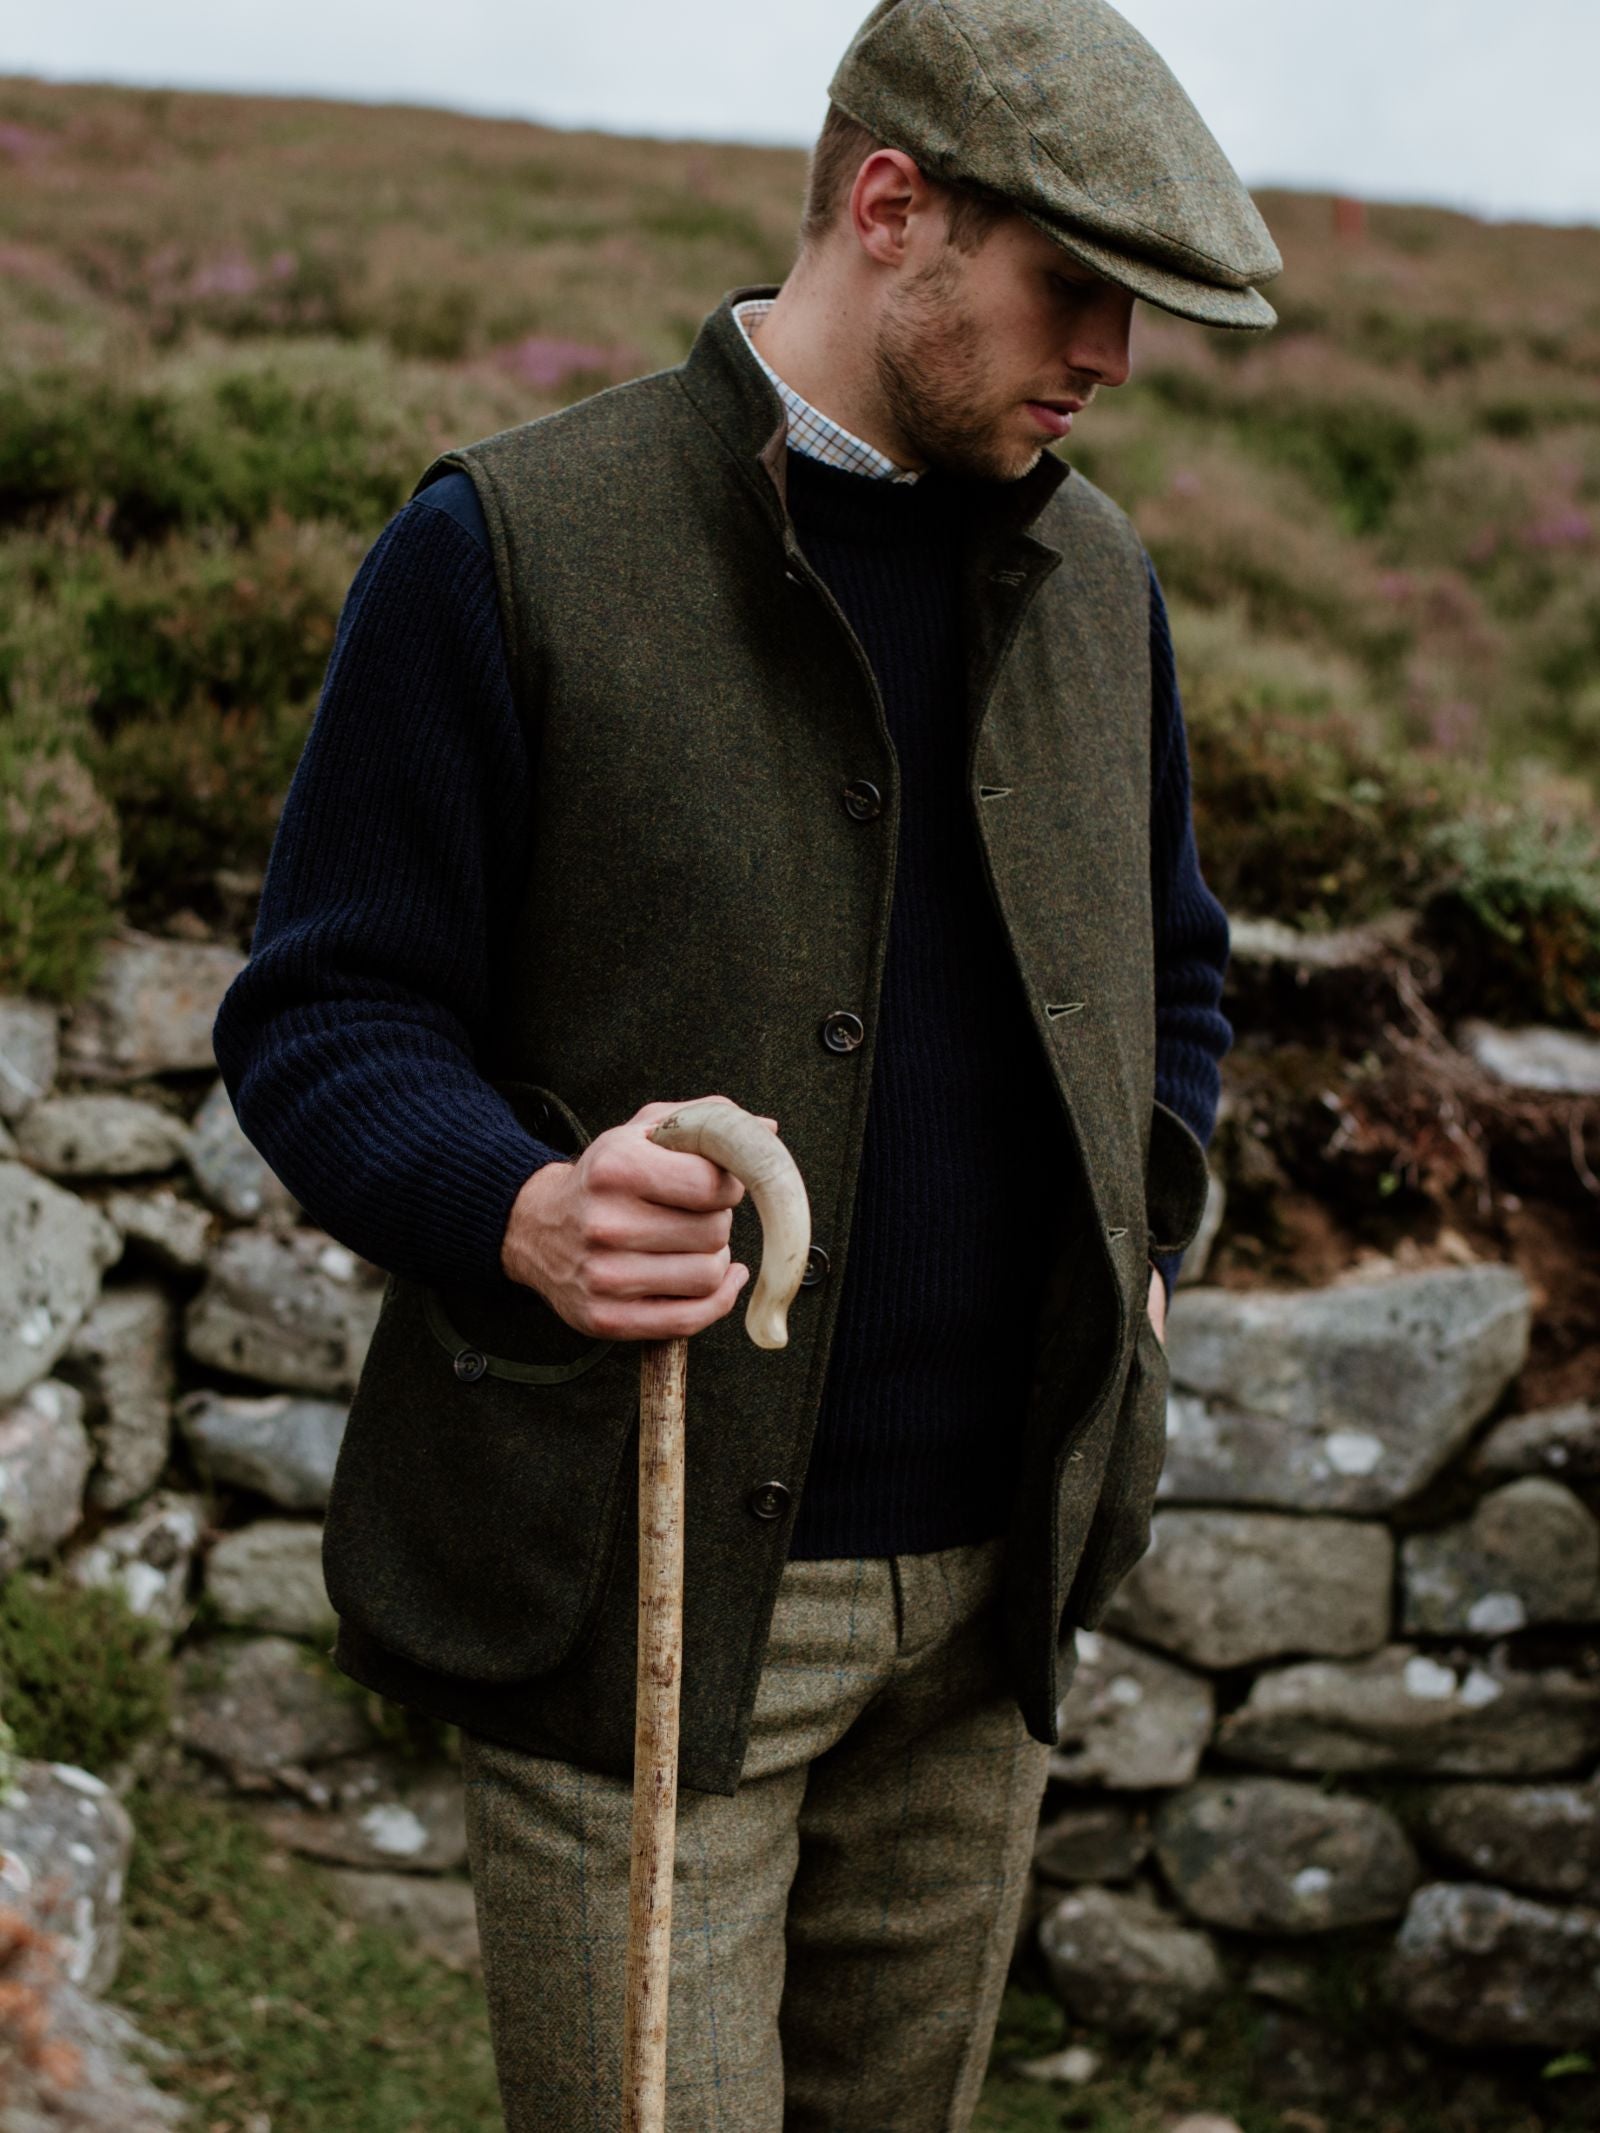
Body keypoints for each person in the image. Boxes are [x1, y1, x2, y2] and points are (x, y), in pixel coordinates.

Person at [212, 1, 1280, 2124]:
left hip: (993, 1600)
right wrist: (520, 1205)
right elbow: (323, 1011)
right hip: (647, 1589)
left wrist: (1149, 1235)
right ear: (889, 206)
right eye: (1070, 285)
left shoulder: (1099, 582)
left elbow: (1171, 975)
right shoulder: (510, 541)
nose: (1113, 356)